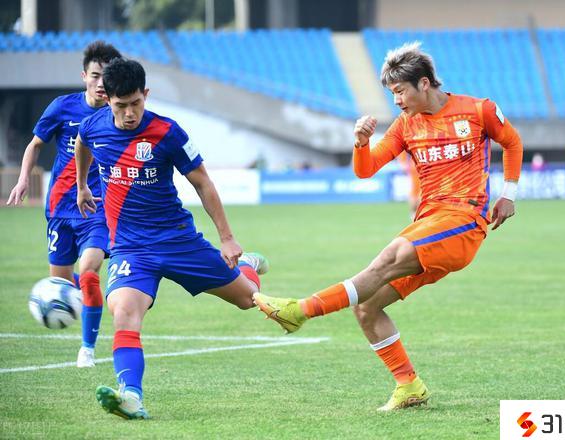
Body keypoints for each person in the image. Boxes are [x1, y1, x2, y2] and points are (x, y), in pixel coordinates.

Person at [254, 42, 523, 411]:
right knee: (366, 306)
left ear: (424, 83)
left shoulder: (479, 110)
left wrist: (508, 194)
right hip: (429, 222)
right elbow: (366, 169)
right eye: (391, 93)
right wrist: (361, 143)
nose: (396, 101)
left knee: (389, 256)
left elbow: (512, 142)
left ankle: (300, 310)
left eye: (400, 91)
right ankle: (408, 385)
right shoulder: (406, 125)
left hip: (464, 221)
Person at [75, 58, 268, 420]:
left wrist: (227, 239)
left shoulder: (168, 132)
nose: (129, 113)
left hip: (179, 241)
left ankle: (247, 266)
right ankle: (131, 397)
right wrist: (83, 185)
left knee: (248, 300)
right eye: (121, 105)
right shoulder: (93, 126)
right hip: (131, 248)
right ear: (107, 100)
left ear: (146, 94)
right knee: (124, 313)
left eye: (136, 103)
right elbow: (83, 144)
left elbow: (203, 182)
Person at [6, 41, 122, 368]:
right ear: (84, 76)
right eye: (95, 76)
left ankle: (87, 349)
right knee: (60, 283)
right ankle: (90, 300)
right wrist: (23, 179)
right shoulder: (62, 107)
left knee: (88, 270)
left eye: (107, 77)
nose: (101, 83)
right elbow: (35, 144)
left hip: (96, 209)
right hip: (59, 209)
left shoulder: (118, 113)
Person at [396, 151, 421, 219]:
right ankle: (415, 212)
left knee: (417, 190)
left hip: (418, 163)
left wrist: (403, 162)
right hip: (419, 163)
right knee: (418, 190)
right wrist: (403, 162)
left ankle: (414, 212)